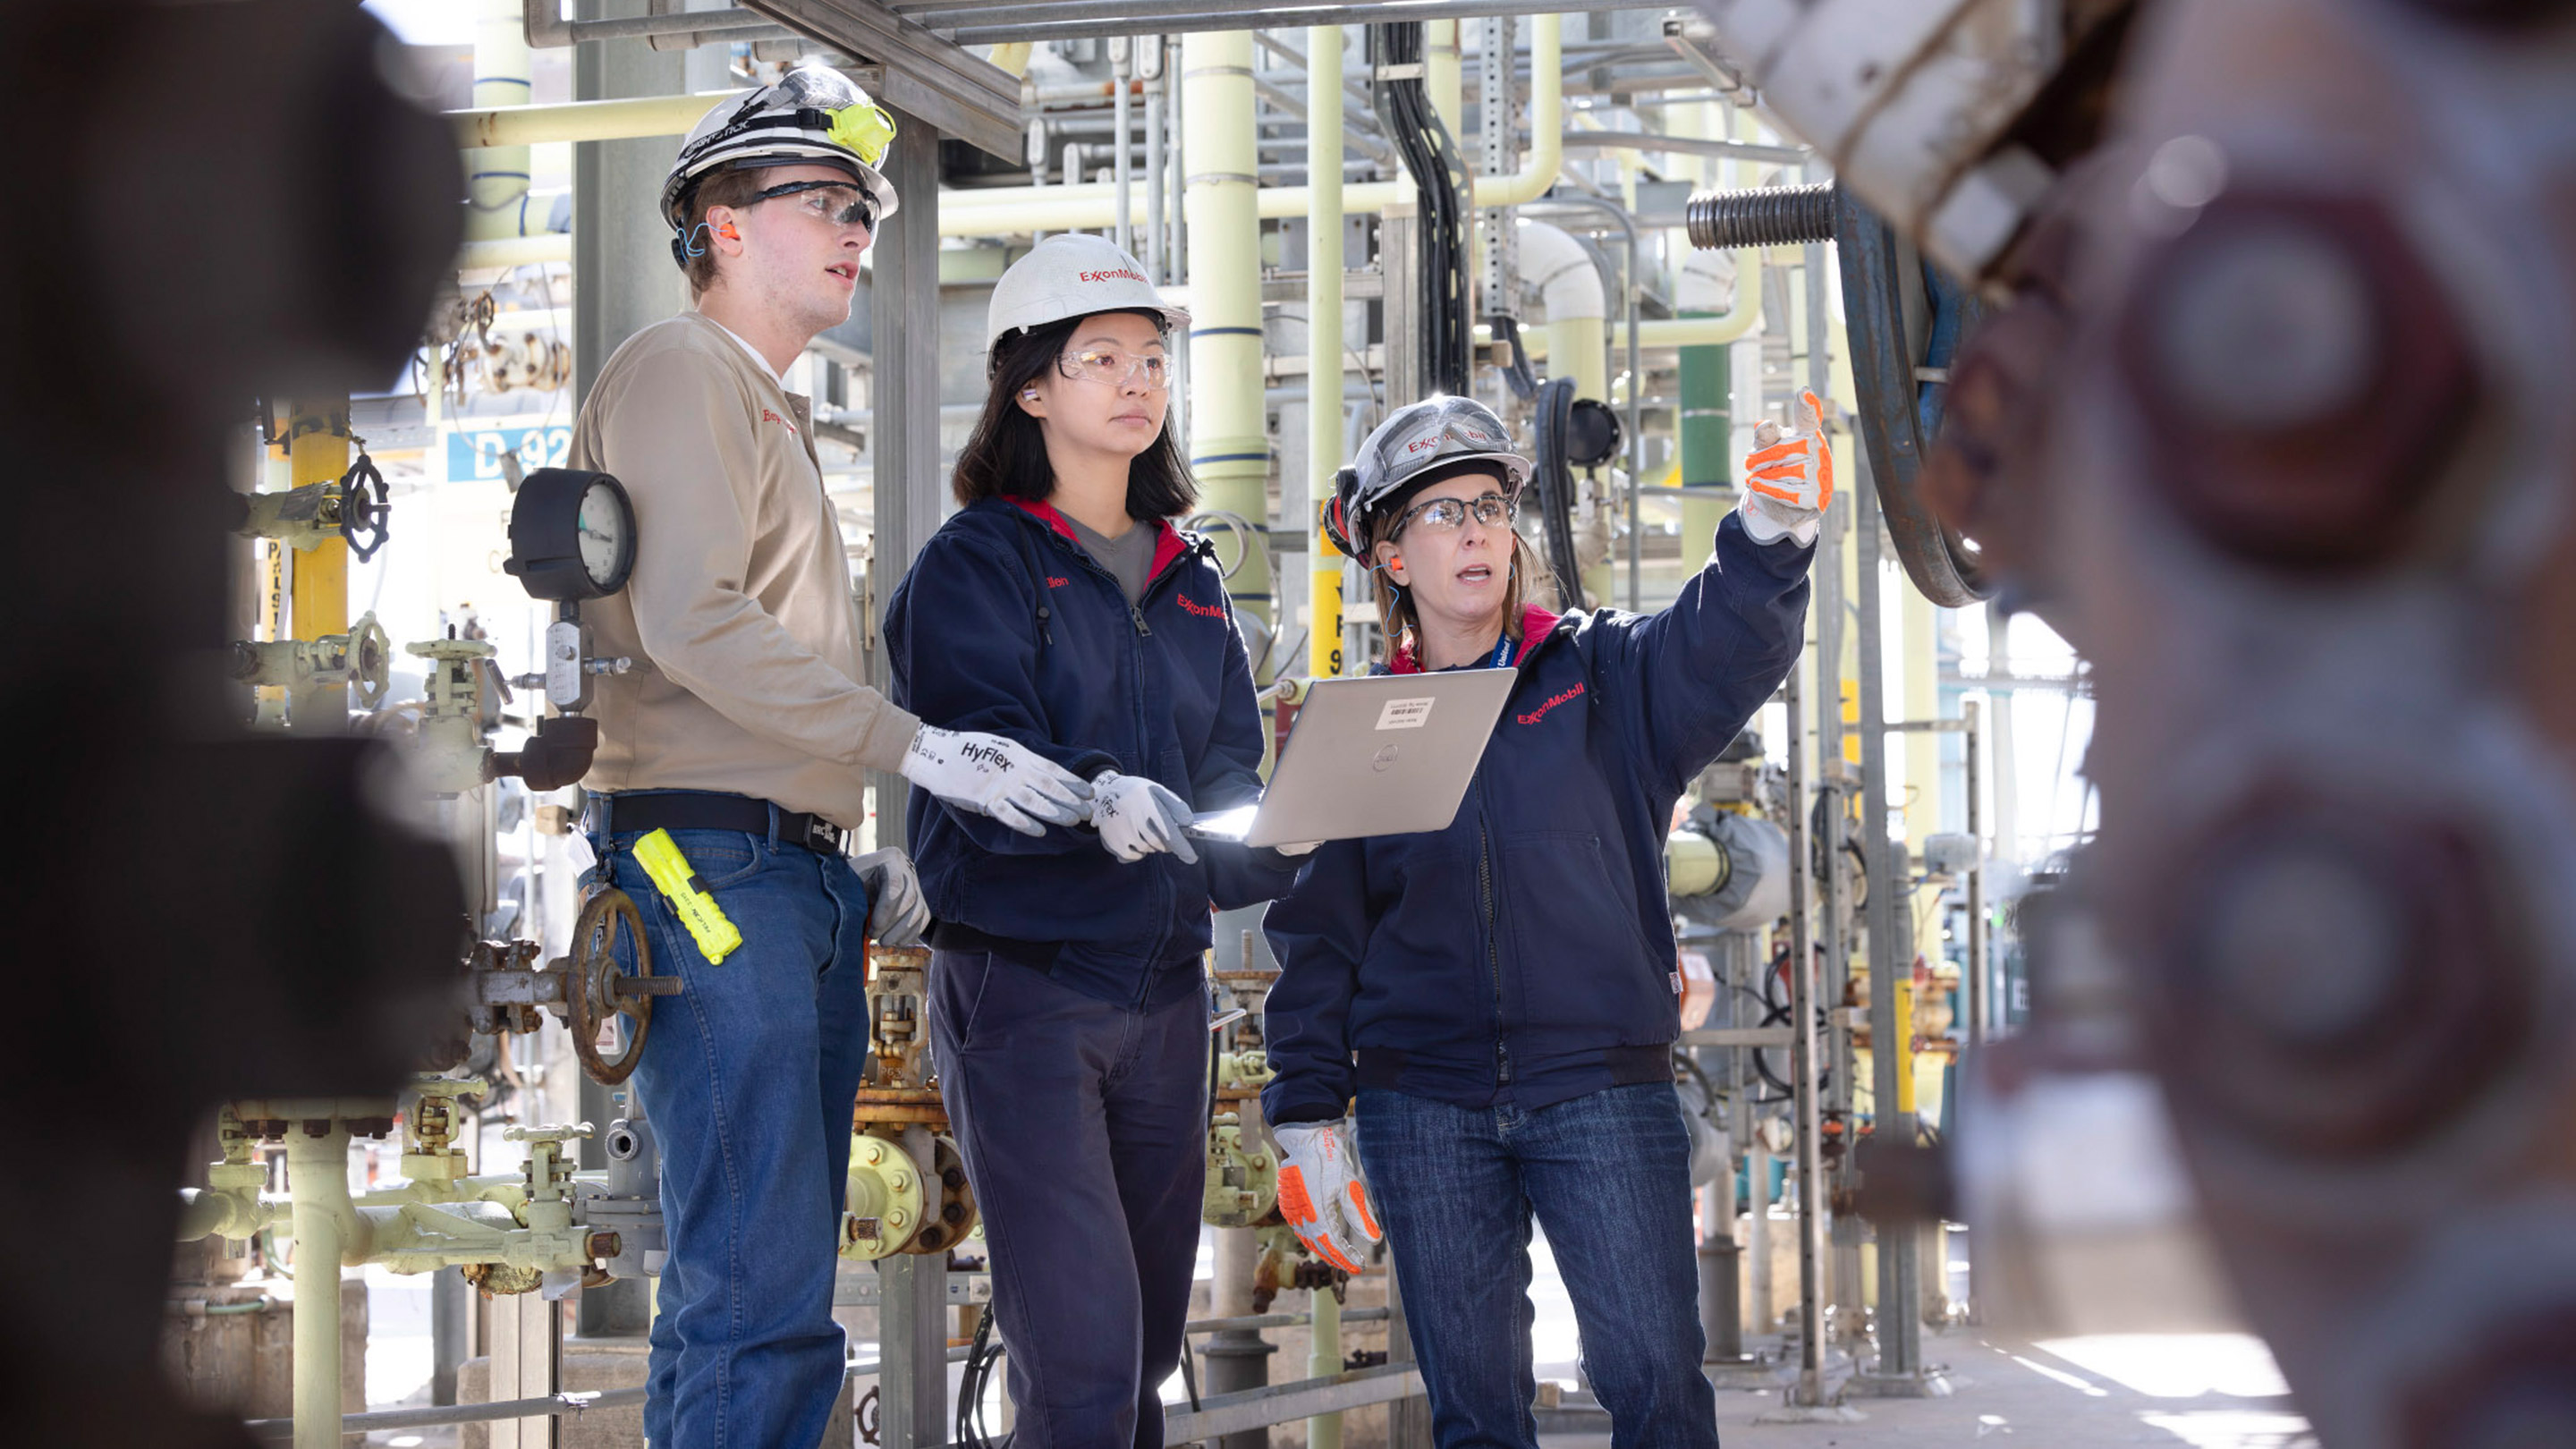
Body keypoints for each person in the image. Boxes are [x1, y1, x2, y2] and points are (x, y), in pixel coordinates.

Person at [569, 70, 1099, 1448]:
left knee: (744, 1286)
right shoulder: (683, 371)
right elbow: (691, 621)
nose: (854, 229)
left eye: (861, 207)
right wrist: (914, 749)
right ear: (720, 226)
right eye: (820, 203)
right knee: (762, 1295)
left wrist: (836, 832)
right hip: (707, 862)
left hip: (764, 865)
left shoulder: (767, 408)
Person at [1260, 392, 1832, 1448]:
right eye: (1439, 514)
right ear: (1390, 555)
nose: (1474, 528)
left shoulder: (1604, 676)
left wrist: (1768, 539)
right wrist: (1304, 1107)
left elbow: (1719, 650)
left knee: (1657, 1383)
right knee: (1474, 1414)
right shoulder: (1357, 726)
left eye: (1488, 504)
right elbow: (1321, 935)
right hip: (1422, 1103)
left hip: (1598, 1088)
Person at [883, 233, 1306, 1448]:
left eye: (1153, 361)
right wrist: (1095, 793)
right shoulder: (978, 564)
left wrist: (1304, 829)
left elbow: (1227, 780)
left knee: (1139, 1367)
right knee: (1077, 1364)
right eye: (1101, 358)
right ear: (1031, 387)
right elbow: (981, 749)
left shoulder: (1193, 584)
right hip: (1027, 991)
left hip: (1167, 999)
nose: (1137, 383)